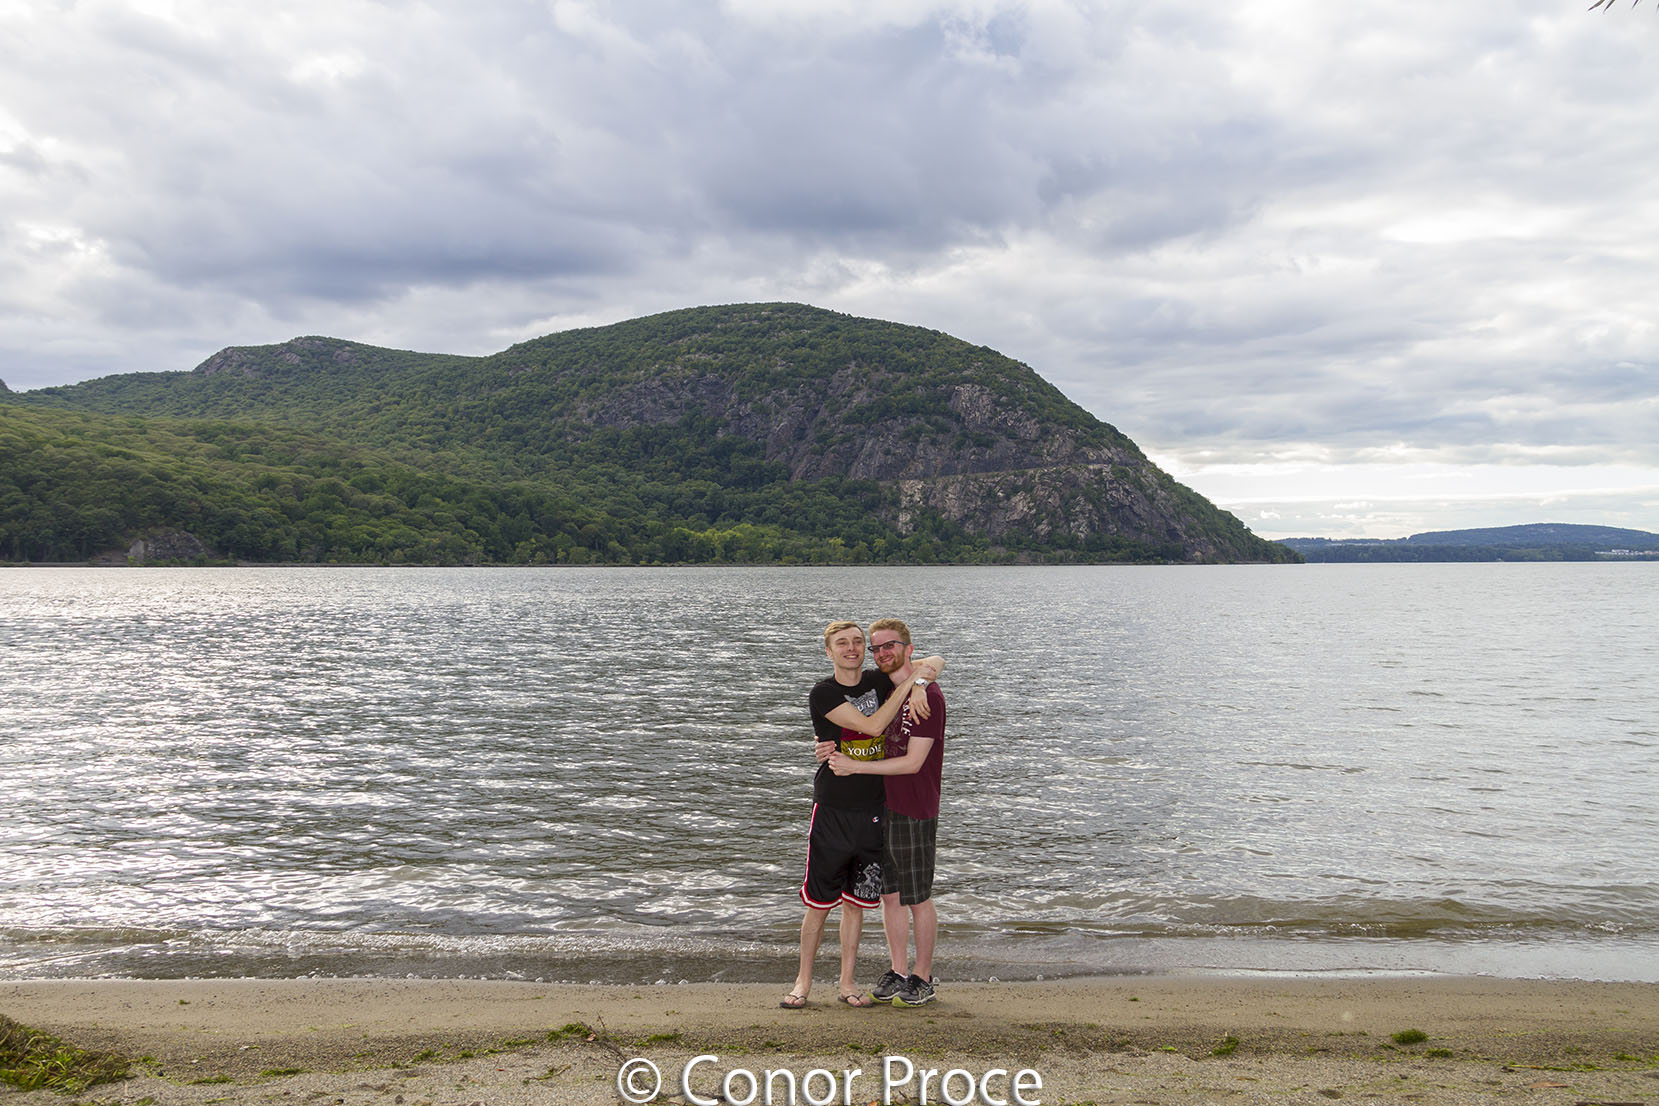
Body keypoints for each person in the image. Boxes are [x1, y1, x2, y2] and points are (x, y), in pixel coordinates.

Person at [781, 620, 940, 1009]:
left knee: (857, 903)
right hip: (833, 808)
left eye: (857, 642)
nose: (851, 648)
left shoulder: (878, 680)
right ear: (829, 651)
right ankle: (802, 982)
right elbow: (872, 725)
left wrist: (919, 683)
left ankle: (848, 983)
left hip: (874, 810)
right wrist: (911, 683)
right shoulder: (823, 692)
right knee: (819, 903)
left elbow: (934, 660)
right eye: (842, 643)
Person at [826, 618, 946, 1007]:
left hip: (915, 807)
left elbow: (913, 763)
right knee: (890, 896)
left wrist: (855, 767)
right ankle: (898, 971)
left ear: (908, 648)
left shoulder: (930, 698)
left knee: (918, 897)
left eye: (889, 646)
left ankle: (923, 977)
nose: (882, 653)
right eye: (876, 648)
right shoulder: (884, 690)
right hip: (880, 807)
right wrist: (827, 746)